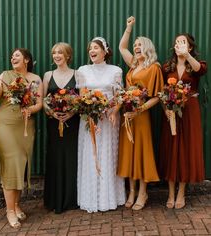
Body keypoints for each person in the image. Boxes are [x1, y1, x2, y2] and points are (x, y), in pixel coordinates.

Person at [0, 48, 43, 228]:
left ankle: (16, 206)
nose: (12, 58)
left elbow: (39, 103)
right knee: (11, 162)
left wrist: (30, 109)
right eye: (11, 56)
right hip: (5, 125)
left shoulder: (36, 79)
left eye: (17, 55)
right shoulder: (5, 75)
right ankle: (9, 211)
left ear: (26, 59)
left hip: (25, 127)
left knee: (19, 164)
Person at [117, 16, 164, 210]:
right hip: (127, 116)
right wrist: (129, 28)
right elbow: (121, 48)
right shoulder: (133, 65)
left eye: (139, 44)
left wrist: (139, 110)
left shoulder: (154, 68)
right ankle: (132, 191)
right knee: (129, 153)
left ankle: (143, 193)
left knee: (142, 153)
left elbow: (157, 96)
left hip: (141, 116)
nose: (136, 47)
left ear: (147, 48)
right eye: (135, 45)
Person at [77, 37, 126, 213]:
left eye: (96, 47)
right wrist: (89, 111)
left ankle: (109, 197)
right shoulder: (82, 70)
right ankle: (90, 197)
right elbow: (82, 96)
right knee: (91, 154)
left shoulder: (115, 70)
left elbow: (119, 95)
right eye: (90, 48)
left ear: (105, 51)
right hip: (90, 119)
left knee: (108, 155)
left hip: (109, 119)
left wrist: (113, 111)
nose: (92, 50)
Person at [159, 34, 207, 209]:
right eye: (177, 42)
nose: (179, 44)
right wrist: (166, 110)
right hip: (171, 111)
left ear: (190, 47)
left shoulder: (197, 65)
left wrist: (187, 55)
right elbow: (162, 92)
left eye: (183, 42)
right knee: (171, 149)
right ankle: (171, 192)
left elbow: (200, 71)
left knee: (186, 149)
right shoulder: (166, 67)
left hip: (190, 111)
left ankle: (181, 193)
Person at [43, 42, 80, 213]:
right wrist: (51, 112)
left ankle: (70, 199)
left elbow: (81, 99)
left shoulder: (77, 74)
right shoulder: (47, 75)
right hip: (53, 123)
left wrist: (71, 113)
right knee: (56, 158)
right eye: (54, 53)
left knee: (70, 158)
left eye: (60, 52)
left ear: (68, 55)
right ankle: (54, 199)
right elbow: (42, 100)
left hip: (72, 124)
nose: (56, 55)